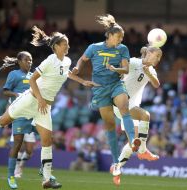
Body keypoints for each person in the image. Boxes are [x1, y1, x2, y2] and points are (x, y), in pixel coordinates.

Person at [0, 26, 97, 189]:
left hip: (44, 107)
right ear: (56, 46)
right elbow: (32, 80)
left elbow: (67, 74)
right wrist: (40, 99)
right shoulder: (49, 60)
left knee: (47, 141)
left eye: (68, 44)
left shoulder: (67, 61)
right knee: (3, 120)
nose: (68, 46)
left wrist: (82, 81)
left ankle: (46, 179)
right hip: (30, 100)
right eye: (65, 44)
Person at [71, 14, 139, 179]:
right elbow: (82, 59)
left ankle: (132, 140)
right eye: (118, 36)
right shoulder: (94, 47)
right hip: (100, 90)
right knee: (109, 125)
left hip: (116, 85)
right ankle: (116, 163)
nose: (121, 39)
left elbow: (126, 70)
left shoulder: (122, 49)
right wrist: (77, 68)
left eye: (122, 37)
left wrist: (115, 70)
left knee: (124, 106)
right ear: (109, 36)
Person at [113, 46, 162, 185]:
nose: (158, 59)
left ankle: (117, 168)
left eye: (160, 57)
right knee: (145, 115)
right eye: (156, 55)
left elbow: (156, 84)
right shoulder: (134, 62)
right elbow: (122, 67)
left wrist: (149, 72)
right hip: (120, 104)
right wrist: (118, 72)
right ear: (148, 53)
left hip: (131, 106)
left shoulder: (151, 70)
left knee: (133, 142)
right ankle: (143, 151)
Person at [0, 52, 36, 188]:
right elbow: (5, 91)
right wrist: (16, 94)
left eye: (31, 60)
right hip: (19, 113)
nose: (29, 62)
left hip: (32, 115)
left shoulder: (34, 75)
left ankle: (45, 173)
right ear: (19, 61)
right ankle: (11, 175)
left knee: (33, 148)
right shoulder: (14, 74)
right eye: (26, 60)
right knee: (17, 144)